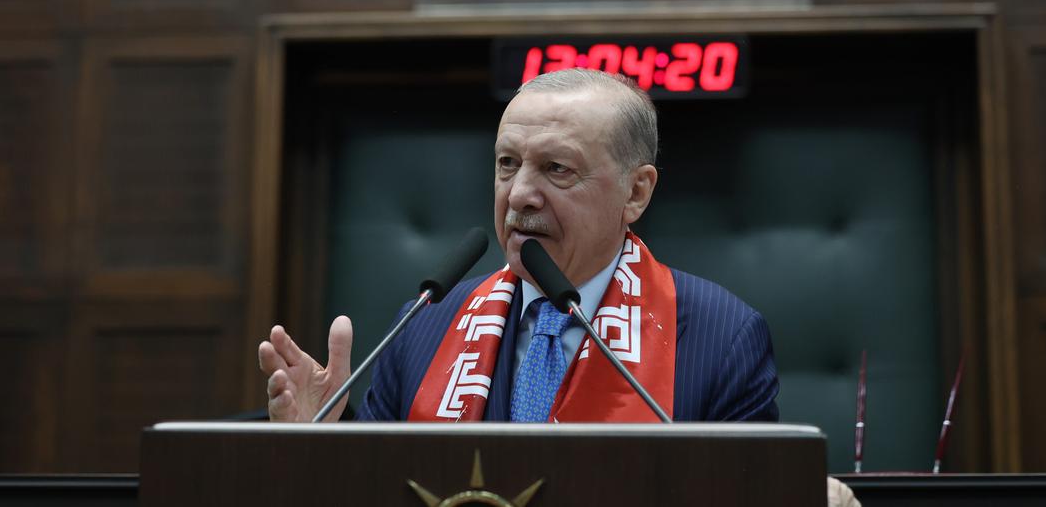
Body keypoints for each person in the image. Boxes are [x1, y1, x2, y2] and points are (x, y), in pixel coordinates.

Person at [258, 68, 779, 423]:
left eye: (557, 169)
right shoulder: (425, 325)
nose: (521, 195)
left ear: (636, 192)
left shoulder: (722, 337)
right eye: (507, 164)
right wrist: (324, 440)